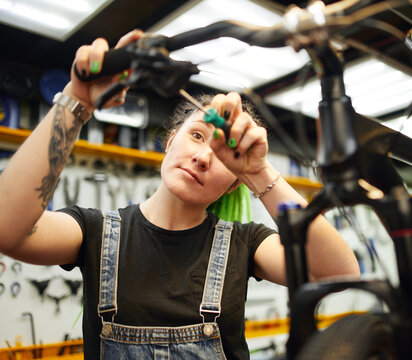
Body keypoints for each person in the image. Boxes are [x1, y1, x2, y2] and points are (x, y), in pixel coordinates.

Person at [0, 30, 360, 359]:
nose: (204, 157)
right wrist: (77, 100)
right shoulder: (94, 233)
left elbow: (339, 273)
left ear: (235, 182)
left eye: (223, 155)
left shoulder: (244, 244)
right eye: (197, 136)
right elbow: (6, 227)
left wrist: (259, 171)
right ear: (171, 141)